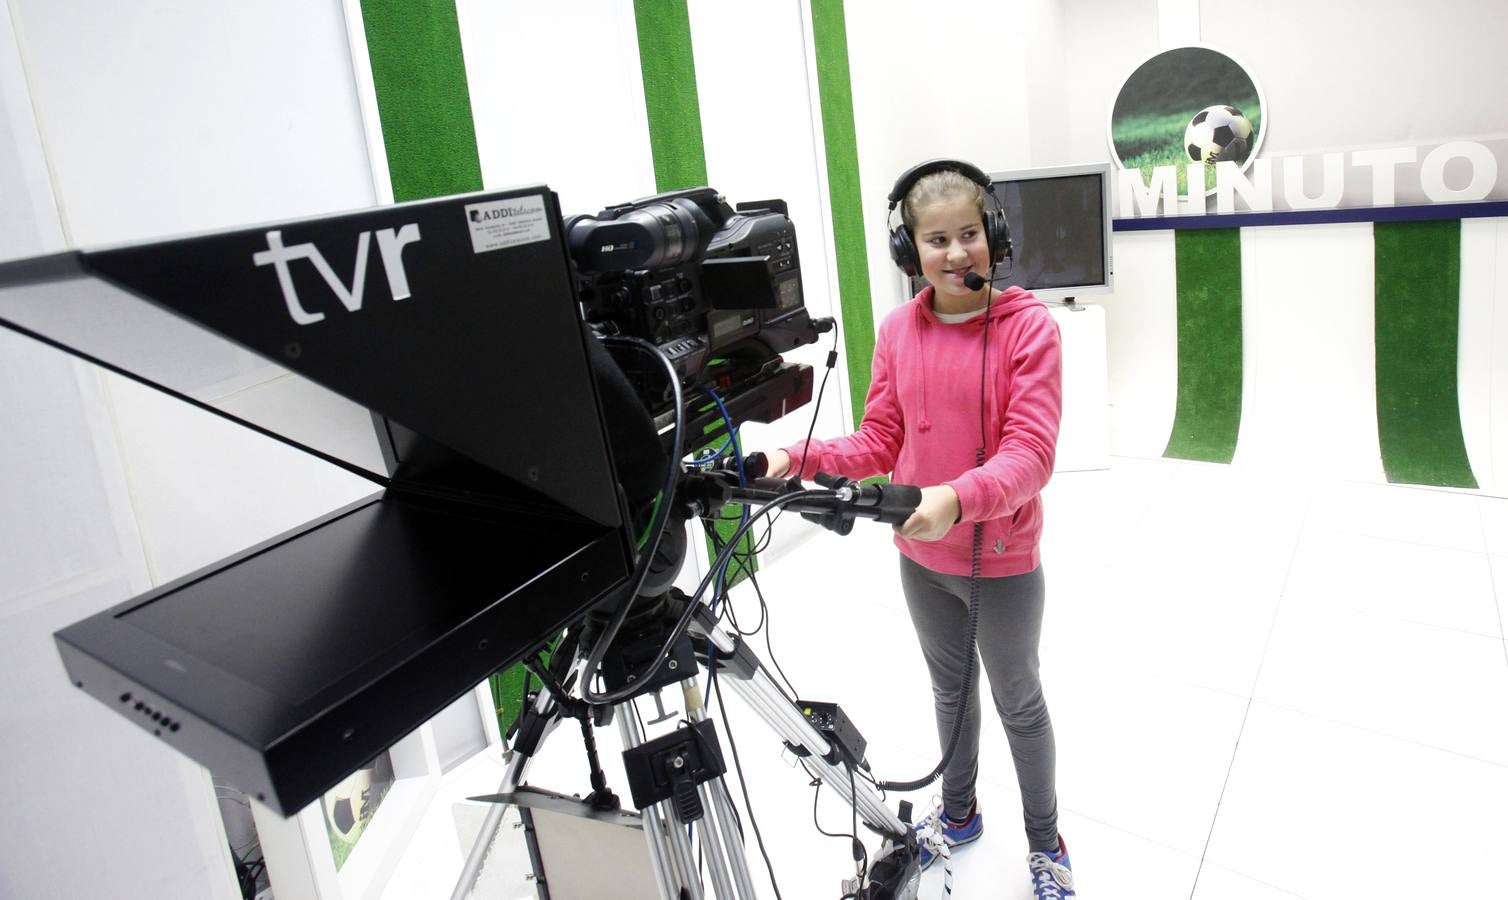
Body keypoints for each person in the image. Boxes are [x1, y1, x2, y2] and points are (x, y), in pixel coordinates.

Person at [762, 160, 1074, 898]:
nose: (957, 252)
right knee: (950, 693)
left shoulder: (1029, 329)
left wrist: (956, 500)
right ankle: (959, 816)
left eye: (970, 233)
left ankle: (1045, 842)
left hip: (999, 558)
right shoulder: (900, 329)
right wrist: (793, 456)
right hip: (920, 556)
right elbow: (877, 440)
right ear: (911, 252)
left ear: (994, 236)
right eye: (938, 239)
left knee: (1017, 701)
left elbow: (1031, 455)